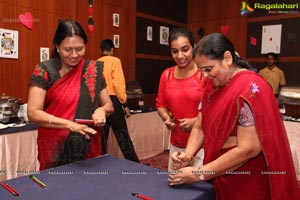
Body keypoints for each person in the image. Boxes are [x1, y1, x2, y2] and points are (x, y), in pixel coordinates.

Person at [168, 33, 299, 200]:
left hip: (246, 177)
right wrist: (189, 154)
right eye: (201, 70)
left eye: (208, 69)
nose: (205, 75)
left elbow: (248, 149)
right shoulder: (212, 85)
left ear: (227, 58)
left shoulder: (249, 89)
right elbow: (201, 125)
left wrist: (197, 173)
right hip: (217, 169)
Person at [27, 20, 114, 170]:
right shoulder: (44, 70)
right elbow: (33, 113)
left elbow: (109, 106)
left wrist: (102, 110)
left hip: (87, 145)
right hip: (54, 147)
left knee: (89, 189)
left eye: (79, 49)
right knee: (56, 189)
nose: (74, 55)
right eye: (68, 49)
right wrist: (69, 125)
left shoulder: (93, 70)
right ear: (57, 47)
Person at [156, 27, 211, 170]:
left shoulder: (204, 74)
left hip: (202, 145)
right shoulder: (166, 75)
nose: (180, 55)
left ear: (194, 47)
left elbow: (215, 107)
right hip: (176, 145)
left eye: (185, 49)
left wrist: (195, 121)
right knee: (175, 184)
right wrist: (166, 118)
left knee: (200, 188)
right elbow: (160, 104)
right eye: (175, 51)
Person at [97, 39, 139, 162]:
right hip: (113, 100)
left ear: (101, 50)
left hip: (99, 103)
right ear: (112, 50)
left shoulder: (96, 63)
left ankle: (99, 163)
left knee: (101, 138)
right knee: (122, 135)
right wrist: (124, 104)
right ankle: (134, 163)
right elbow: (118, 84)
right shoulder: (115, 61)